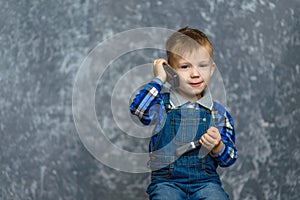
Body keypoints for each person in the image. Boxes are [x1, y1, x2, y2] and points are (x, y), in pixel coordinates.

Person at [129, 27, 237, 200]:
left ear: (211, 69)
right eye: (185, 66)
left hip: (206, 183)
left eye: (202, 66)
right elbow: (138, 109)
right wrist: (159, 79)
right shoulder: (162, 106)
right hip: (167, 182)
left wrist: (218, 146)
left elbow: (229, 159)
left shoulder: (218, 114)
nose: (195, 74)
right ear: (171, 71)